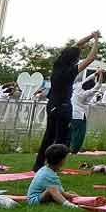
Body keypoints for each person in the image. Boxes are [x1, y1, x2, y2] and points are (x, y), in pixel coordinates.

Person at [31, 31, 100, 172]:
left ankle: (38, 165)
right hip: (63, 107)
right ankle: (54, 166)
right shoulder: (69, 72)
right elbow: (91, 58)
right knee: (62, 139)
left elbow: (76, 45)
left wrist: (90, 36)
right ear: (73, 60)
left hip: (51, 105)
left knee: (48, 136)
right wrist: (96, 40)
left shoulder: (57, 65)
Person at [70, 69, 106, 153]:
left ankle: (69, 147)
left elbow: (87, 79)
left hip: (71, 113)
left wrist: (97, 73)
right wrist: (101, 75)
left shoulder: (78, 88)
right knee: (79, 134)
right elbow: (99, 85)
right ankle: (75, 150)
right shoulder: (86, 93)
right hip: (79, 115)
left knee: (70, 132)